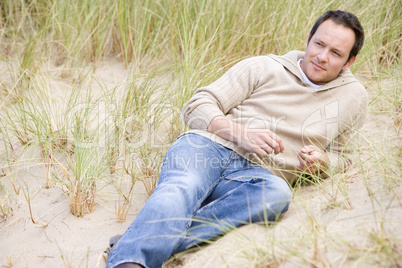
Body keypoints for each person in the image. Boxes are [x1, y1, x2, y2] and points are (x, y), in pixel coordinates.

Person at [106, 10, 367, 268]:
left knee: (277, 195)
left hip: (254, 176)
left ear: (349, 61)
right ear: (309, 38)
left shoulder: (353, 97)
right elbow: (196, 106)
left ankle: (137, 241)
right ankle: (130, 262)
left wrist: (324, 162)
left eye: (336, 53)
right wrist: (241, 133)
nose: (322, 57)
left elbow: (344, 157)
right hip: (206, 149)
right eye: (319, 44)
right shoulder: (265, 66)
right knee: (182, 187)